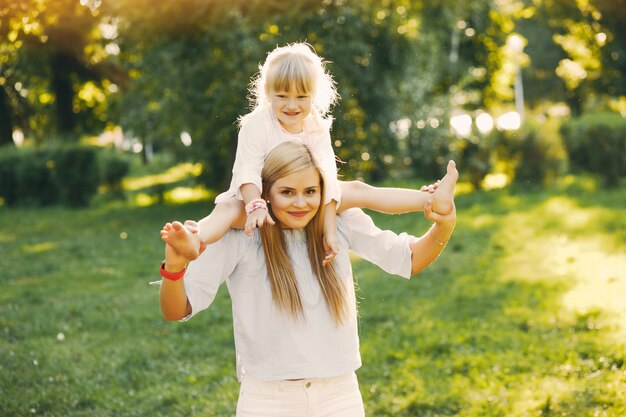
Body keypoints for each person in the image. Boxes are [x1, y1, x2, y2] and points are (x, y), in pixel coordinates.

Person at [159, 141, 457, 417]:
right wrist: (174, 267)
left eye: (310, 192)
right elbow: (176, 309)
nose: (300, 203)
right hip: (268, 399)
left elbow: (409, 258)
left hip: (339, 394)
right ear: (265, 194)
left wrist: (445, 225)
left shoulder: (337, 222)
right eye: (287, 192)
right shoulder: (242, 234)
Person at [163, 42, 457, 265]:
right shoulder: (256, 125)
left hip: (307, 198)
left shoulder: (316, 125)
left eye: (302, 97)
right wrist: (255, 206)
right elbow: (247, 172)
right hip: (262, 201)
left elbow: (328, 179)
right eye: (282, 96)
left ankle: (431, 200)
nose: (292, 104)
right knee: (226, 210)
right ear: (267, 93)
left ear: (314, 95)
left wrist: (328, 229)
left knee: (357, 189)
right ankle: (195, 239)